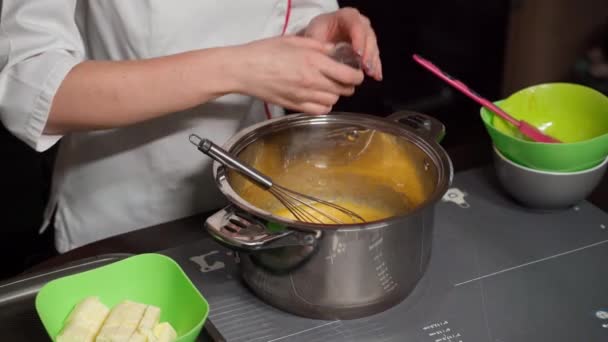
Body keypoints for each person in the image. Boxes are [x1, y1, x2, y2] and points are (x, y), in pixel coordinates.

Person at [0, 1, 382, 254]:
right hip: (133, 215)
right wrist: (240, 68)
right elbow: (35, 88)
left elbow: (287, 11)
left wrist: (314, 35)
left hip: (265, 199)